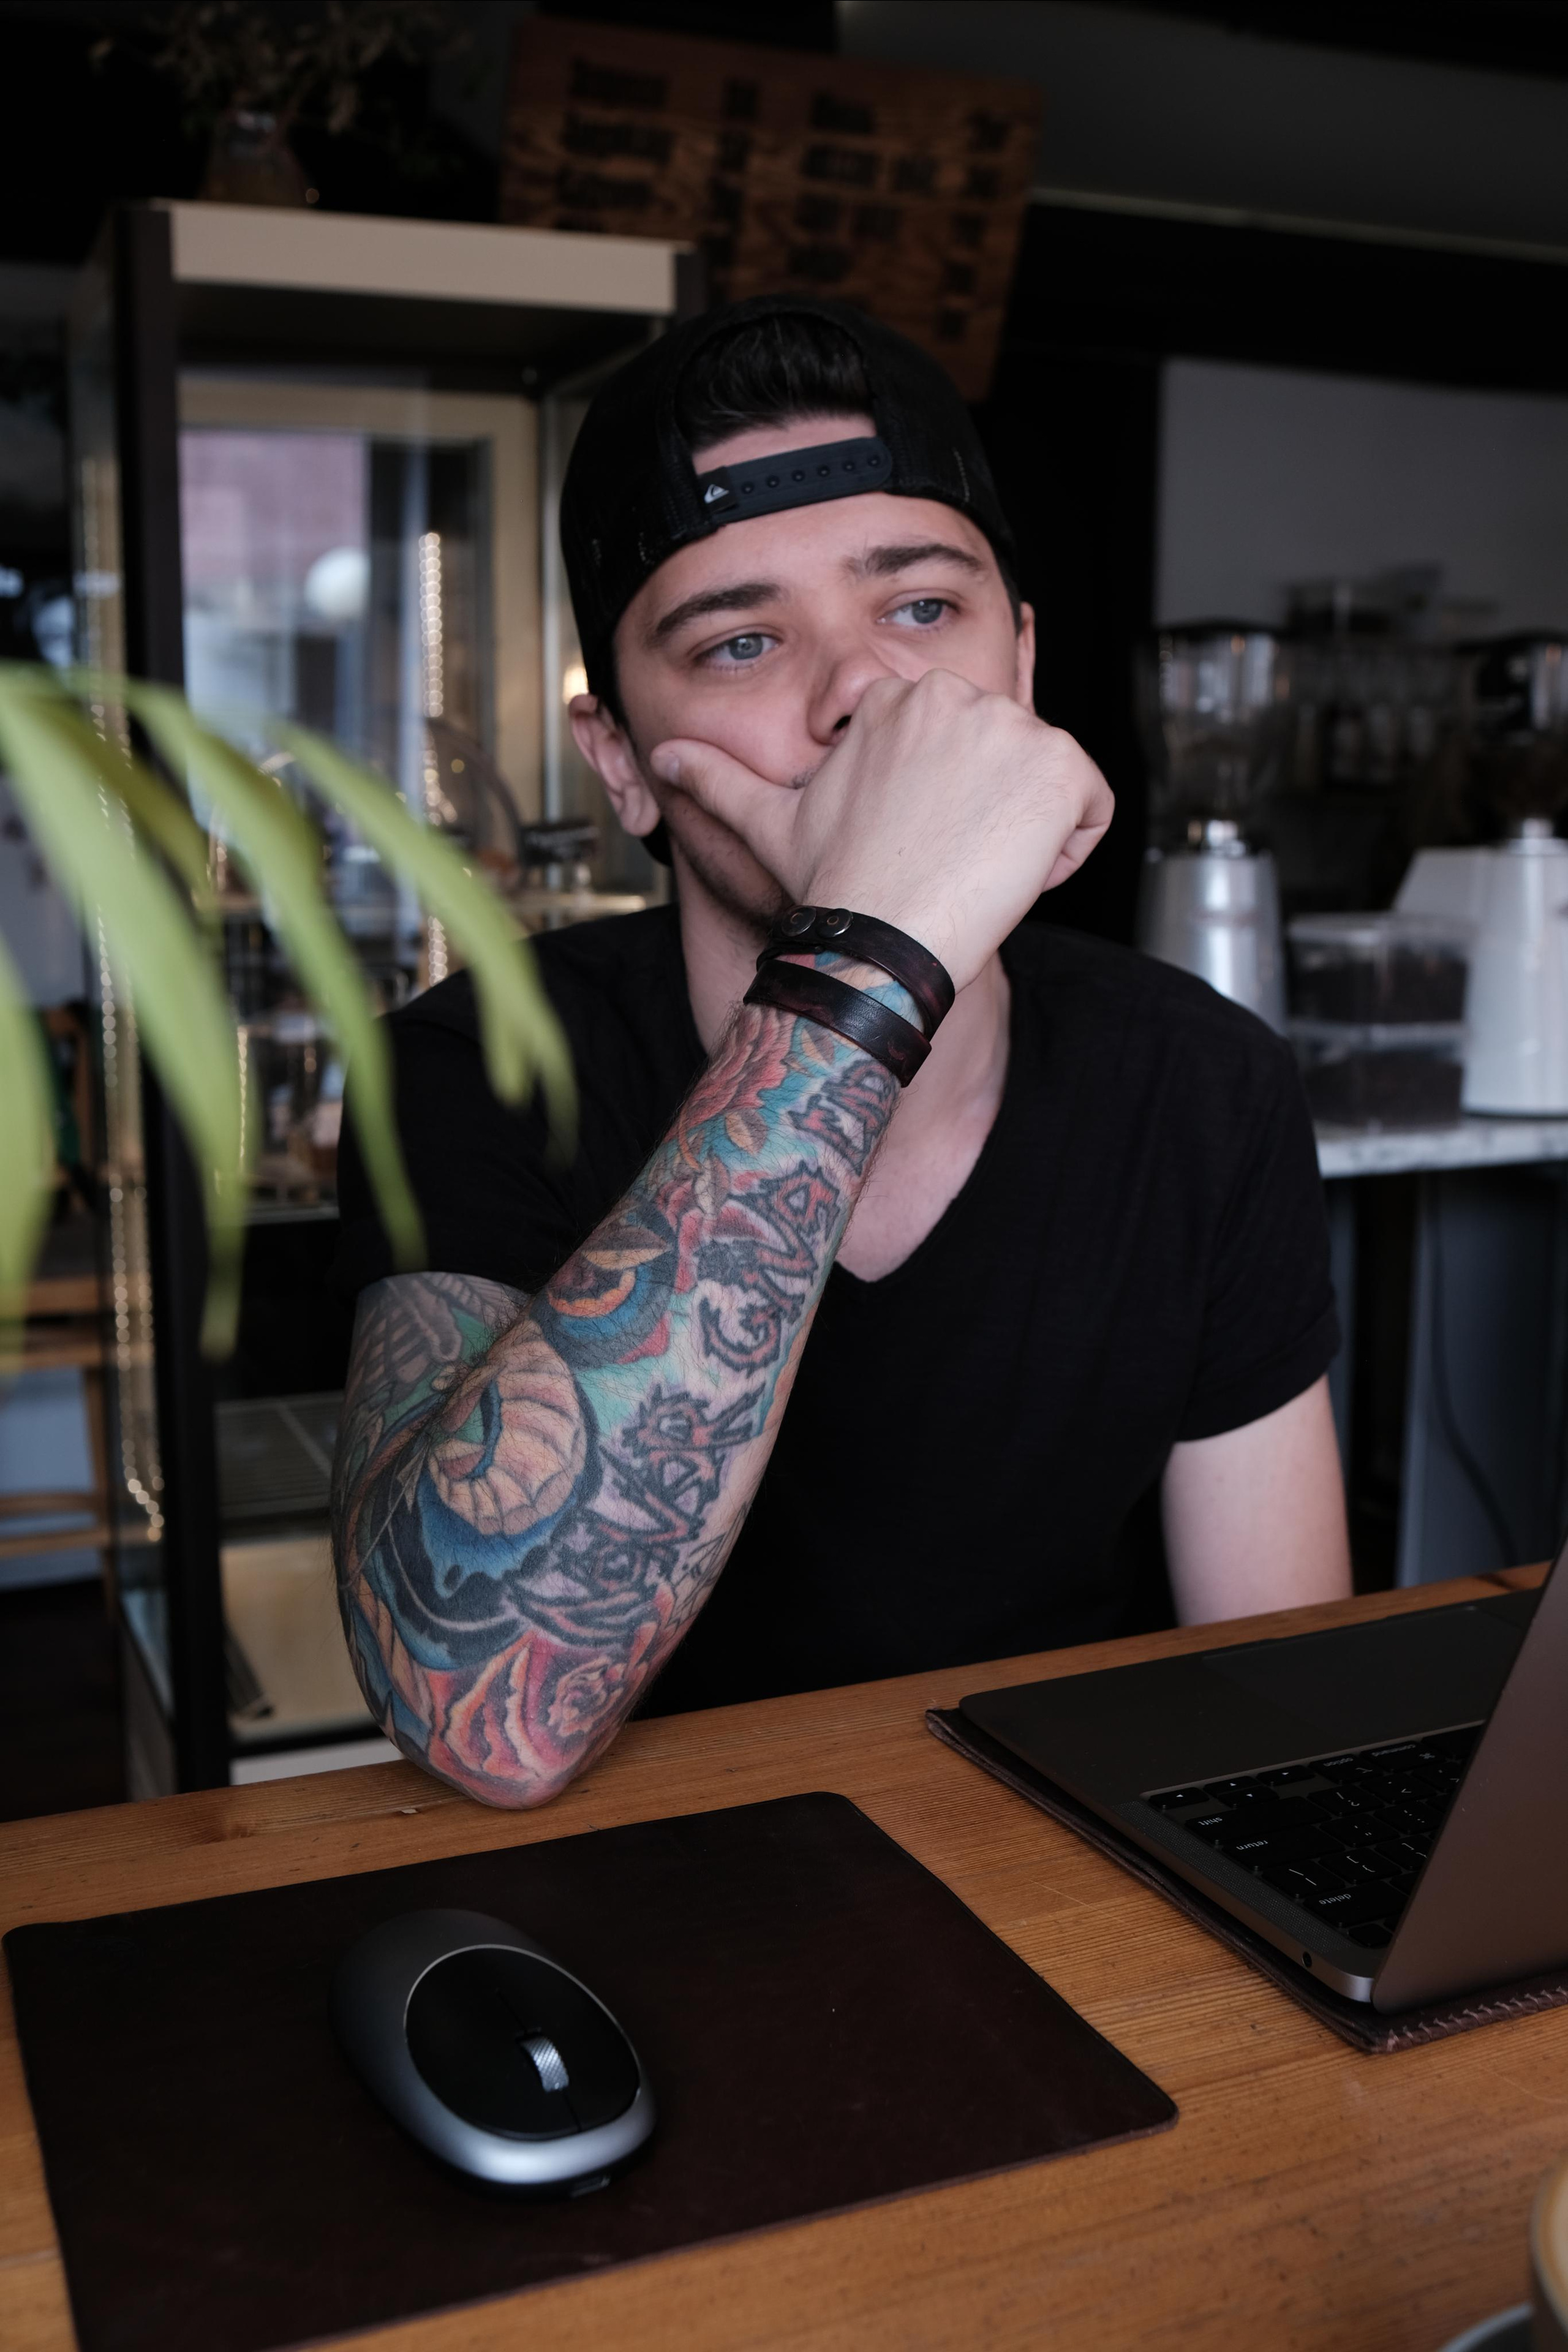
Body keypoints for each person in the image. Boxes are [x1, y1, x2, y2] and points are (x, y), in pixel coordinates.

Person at [331, 295, 1351, 1809]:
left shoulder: (1198, 1082)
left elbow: (1281, 1707)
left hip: (1080, 1888)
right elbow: (475, 1708)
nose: (860, 695)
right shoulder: (476, 1067)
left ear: (1020, 662)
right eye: (741, 641)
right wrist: (870, 958)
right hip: (635, 1920)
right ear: (619, 759)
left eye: (922, 609)